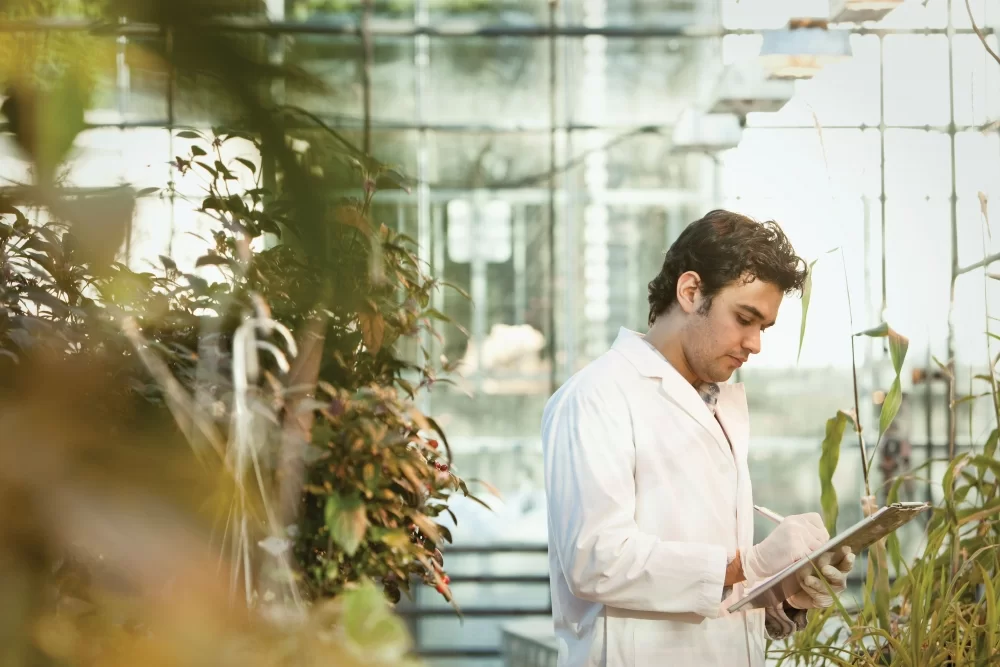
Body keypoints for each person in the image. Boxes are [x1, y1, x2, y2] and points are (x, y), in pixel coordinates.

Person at [541, 210, 856, 666]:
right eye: (744, 318)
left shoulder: (718, 404)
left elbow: (712, 591)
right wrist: (748, 564)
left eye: (763, 327)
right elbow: (595, 561)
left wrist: (785, 591)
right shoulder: (595, 397)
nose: (755, 344)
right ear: (691, 292)